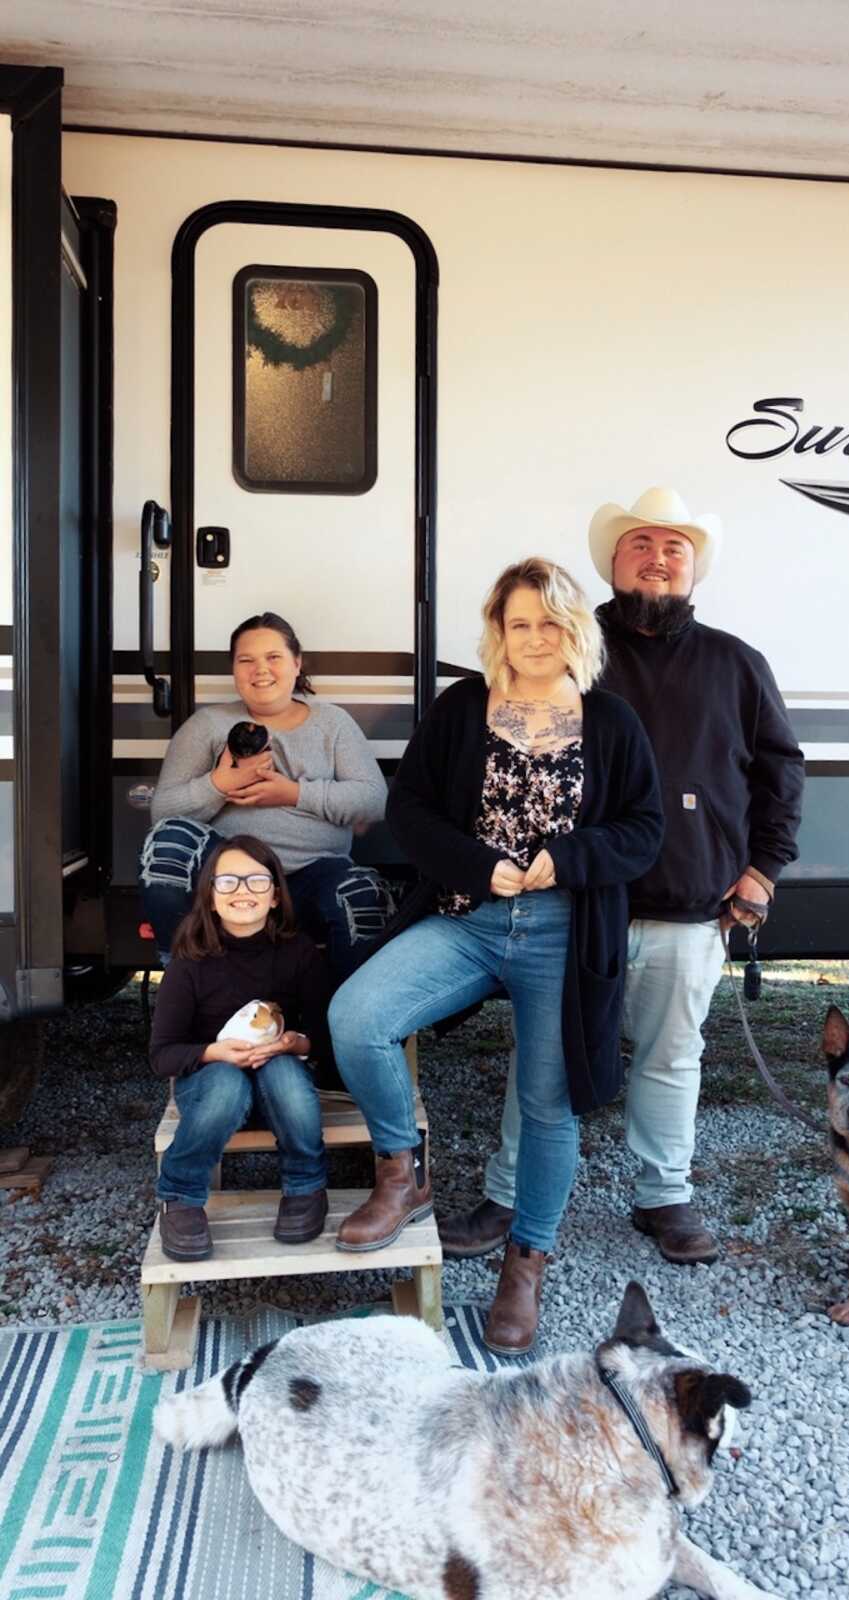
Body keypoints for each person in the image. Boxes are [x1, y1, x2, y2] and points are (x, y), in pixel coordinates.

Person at [440, 486, 805, 1268]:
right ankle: (507, 1194)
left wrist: (763, 872)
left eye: (675, 548)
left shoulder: (738, 664)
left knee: (673, 1055)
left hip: (689, 904)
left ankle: (664, 1195)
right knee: (540, 1057)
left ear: (693, 570)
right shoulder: (571, 650)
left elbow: (781, 772)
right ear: (613, 563)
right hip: (575, 906)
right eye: (642, 545)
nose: (659, 559)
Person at [327, 558, 663, 1354]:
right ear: (499, 632)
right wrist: (477, 866)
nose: (536, 637)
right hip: (469, 921)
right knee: (358, 1016)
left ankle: (526, 1263)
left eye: (551, 622)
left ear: (573, 630)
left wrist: (571, 858)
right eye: (521, 623)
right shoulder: (461, 709)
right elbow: (407, 809)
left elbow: (645, 831)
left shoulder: (610, 721)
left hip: (562, 935)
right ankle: (401, 1173)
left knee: (548, 1103)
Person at [140, 611, 392, 980]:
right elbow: (162, 815)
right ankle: (186, 986)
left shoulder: (332, 723)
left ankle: (343, 1023)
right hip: (226, 879)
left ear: (296, 662)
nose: (261, 669)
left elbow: (374, 800)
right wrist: (221, 784)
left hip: (311, 877)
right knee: (167, 846)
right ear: (234, 670)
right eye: (246, 660)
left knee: (361, 896)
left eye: (273, 657)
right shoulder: (206, 725)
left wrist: (292, 794)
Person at [150, 835, 334, 1262]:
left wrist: (293, 1043)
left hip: (278, 1082)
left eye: (256, 880)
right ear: (210, 897)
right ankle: (180, 1193)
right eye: (228, 881)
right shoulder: (189, 961)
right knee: (226, 1085)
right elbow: (162, 1054)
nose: (242, 891)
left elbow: (325, 1036)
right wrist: (216, 1053)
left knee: (285, 1075)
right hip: (212, 1085)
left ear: (274, 896)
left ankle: (306, 1185)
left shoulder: (299, 953)